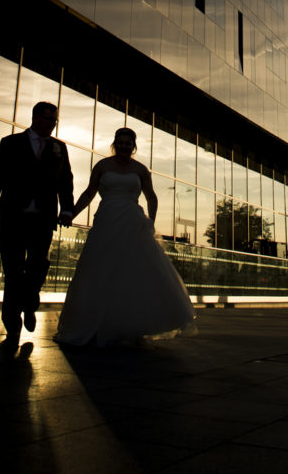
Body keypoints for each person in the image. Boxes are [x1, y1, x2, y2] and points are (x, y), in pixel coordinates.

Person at [56, 127, 195, 347]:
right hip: (107, 220)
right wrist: (71, 212)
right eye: (120, 143)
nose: (123, 146)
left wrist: (151, 220)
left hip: (132, 222)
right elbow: (89, 192)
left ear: (133, 146)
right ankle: (98, 323)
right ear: (114, 144)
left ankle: (132, 324)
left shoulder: (140, 170)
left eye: (128, 143)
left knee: (132, 271)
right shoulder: (102, 166)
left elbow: (151, 196)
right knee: (101, 268)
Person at [0, 102, 74, 343]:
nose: (51, 123)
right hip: (12, 216)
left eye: (54, 120)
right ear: (36, 117)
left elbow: (66, 180)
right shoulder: (10, 143)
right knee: (13, 269)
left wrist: (67, 209)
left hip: (43, 218)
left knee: (38, 265)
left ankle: (29, 302)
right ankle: (12, 322)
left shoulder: (59, 148)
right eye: (48, 118)